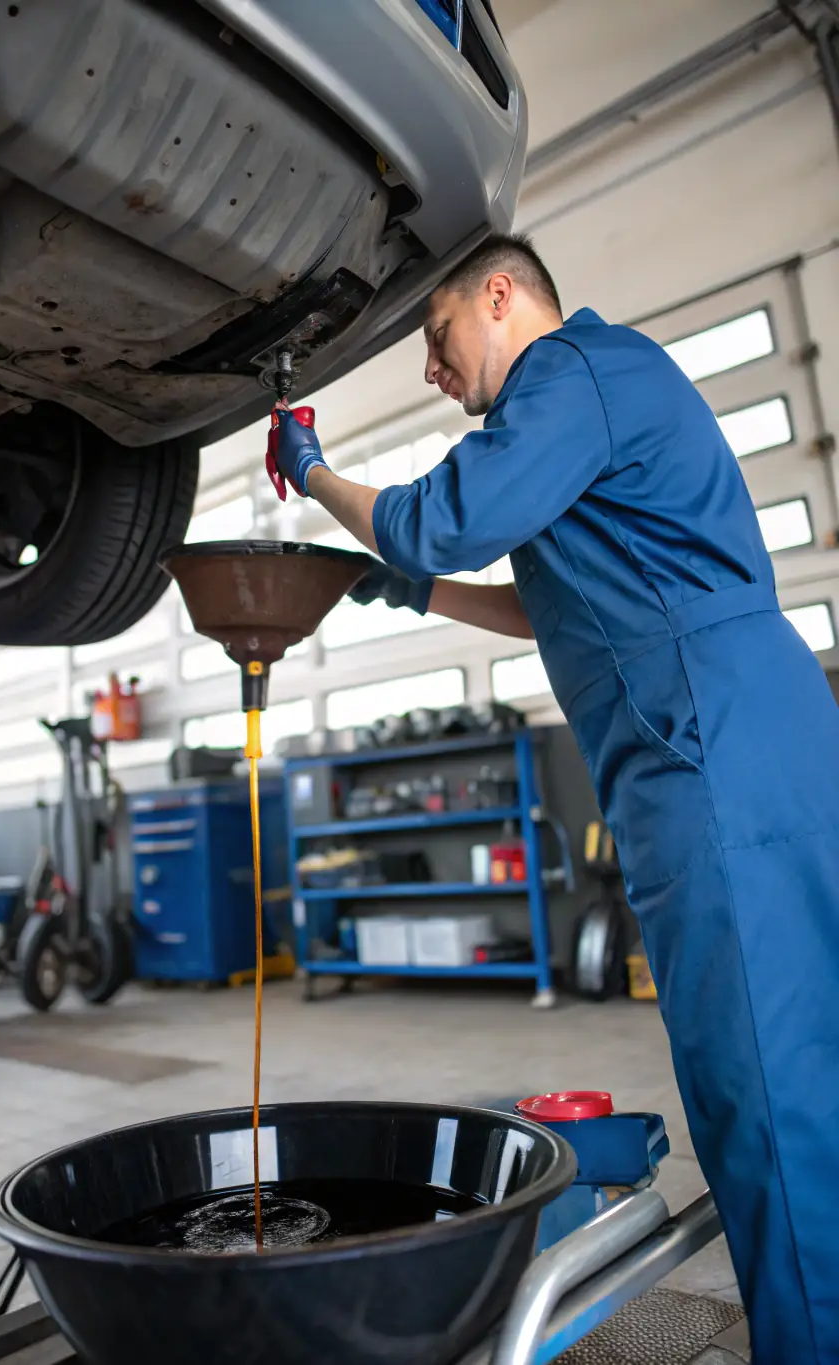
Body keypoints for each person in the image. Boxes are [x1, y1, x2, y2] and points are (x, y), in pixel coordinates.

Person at [269, 233, 839, 1364]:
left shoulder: (569, 375)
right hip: (742, 737)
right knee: (803, 1060)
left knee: (765, 1090)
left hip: (708, 745)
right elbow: (550, 610)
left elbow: (439, 516)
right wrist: (425, 590)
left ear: (500, 295)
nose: (431, 370)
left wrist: (317, 469)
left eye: (433, 341)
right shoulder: (583, 418)